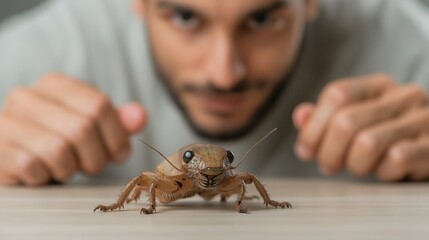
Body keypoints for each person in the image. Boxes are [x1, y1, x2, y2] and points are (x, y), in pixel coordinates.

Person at [1, 0, 429, 186]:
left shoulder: (412, 42)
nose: (224, 74)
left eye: (262, 20)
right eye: (185, 16)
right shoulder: (46, 45)